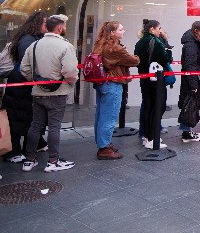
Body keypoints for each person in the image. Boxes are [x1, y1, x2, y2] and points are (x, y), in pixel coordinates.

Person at [20, 14, 78, 173]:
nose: (65, 28)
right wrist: (69, 83)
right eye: (65, 26)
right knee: (54, 127)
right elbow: (71, 72)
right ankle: (53, 161)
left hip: (37, 93)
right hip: (57, 94)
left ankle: (29, 160)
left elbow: (24, 69)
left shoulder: (34, 45)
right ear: (60, 27)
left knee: (35, 126)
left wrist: (37, 81)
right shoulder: (66, 46)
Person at [2, 12, 48, 163]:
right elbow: (26, 65)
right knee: (17, 119)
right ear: (38, 24)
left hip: (23, 86)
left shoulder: (33, 38)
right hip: (21, 87)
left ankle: (30, 146)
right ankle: (13, 151)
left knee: (25, 118)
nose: (47, 26)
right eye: (45, 23)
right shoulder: (28, 40)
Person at [92, 21, 140, 160]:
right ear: (113, 33)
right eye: (121, 29)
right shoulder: (114, 48)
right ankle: (104, 148)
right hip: (113, 83)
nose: (123, 31)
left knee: (101, 115)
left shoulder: (100, 44)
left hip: (102, 83)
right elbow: (134, 60)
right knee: (110, 116)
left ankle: (103, 143)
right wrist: (135, 57)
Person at [134, 19, 172, 149]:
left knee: (148, 106)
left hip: (144, 79)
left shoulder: (139, 42)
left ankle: (147, 136)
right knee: (157, 107)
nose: (160, 31)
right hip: (156, 79)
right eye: (159, 28)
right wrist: (169, 51)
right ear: (152, 29)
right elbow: (165, 58)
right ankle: (152, 138)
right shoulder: (156, 41)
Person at [179, 21, 200, 142]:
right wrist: (193, 84)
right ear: (196, 30)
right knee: (189, 106)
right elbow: (190, 64)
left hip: (193, 79)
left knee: (190, 105)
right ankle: (186, 133)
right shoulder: (191, 44)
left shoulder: (193, 42)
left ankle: (187, 130)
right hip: (192, 80)